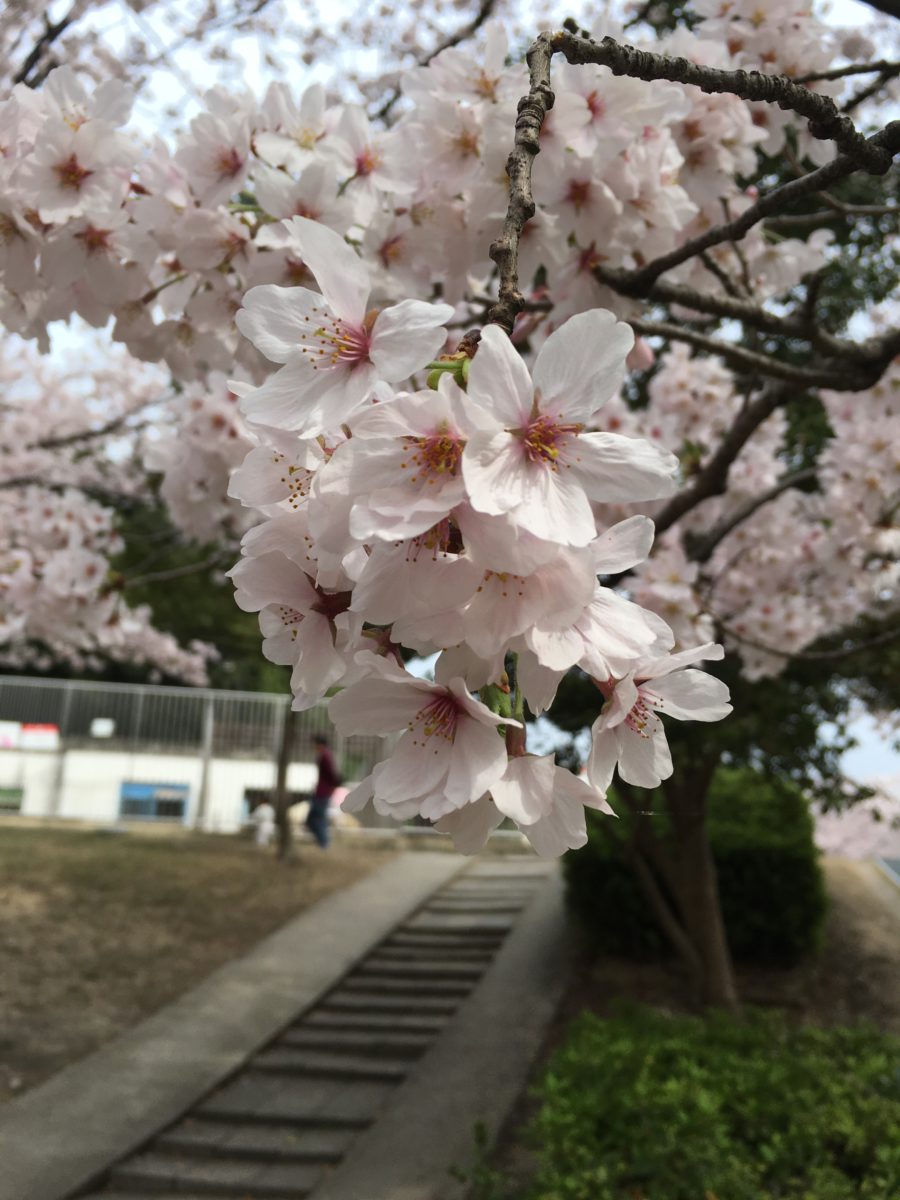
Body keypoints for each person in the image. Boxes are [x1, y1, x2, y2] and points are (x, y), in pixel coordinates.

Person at [307, 733, 340, 849]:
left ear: (319, 744)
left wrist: (333, 785)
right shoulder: (325, 754)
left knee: (316, 819)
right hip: (322, 792)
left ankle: (324, 844)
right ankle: (323, 843)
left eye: (315, 744)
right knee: (314, 819)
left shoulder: (325, 755)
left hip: (322, 793)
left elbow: (331, 773)